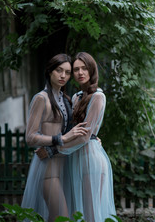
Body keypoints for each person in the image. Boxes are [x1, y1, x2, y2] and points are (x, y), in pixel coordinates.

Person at [21, 54, 88, 222]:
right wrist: (61, 138)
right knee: (63, 218)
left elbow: (75, 132)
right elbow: (30, 137)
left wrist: (93, 138)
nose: (63, 76)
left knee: (56, 217)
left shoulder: (66, 99)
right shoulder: (41, 99)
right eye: (59, 71)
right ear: (50, 71)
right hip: (47, 172)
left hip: (64, 169)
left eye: (67, 72)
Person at [56, 52, 117, 222]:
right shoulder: (76, 97)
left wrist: (55, 148)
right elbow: (71, 129)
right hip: (76, 158)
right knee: (78, 212)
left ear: (92, 70)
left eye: (84, 68)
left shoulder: (98, 96)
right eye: (76, 69)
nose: (80, 72)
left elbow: (84, 137)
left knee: (90, 213)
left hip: (91, 160)